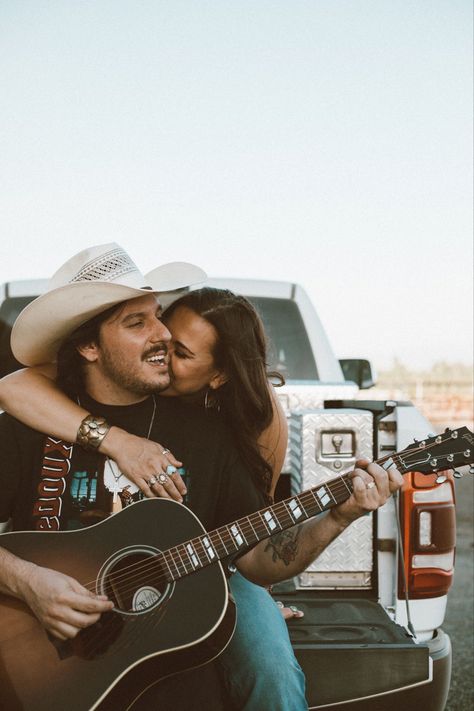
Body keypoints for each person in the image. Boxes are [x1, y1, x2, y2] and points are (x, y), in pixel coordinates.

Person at [0, 243, 403, 710]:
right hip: (34, 661)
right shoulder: (28, 426)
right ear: (88, 346)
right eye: (138, 323)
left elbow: (257, 559)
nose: (163, 334)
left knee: (271, 676)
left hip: (167, 662)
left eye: (157, 315)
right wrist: (28, 581)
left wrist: (339, 516)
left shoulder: (216, 435)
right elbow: (13, 386)